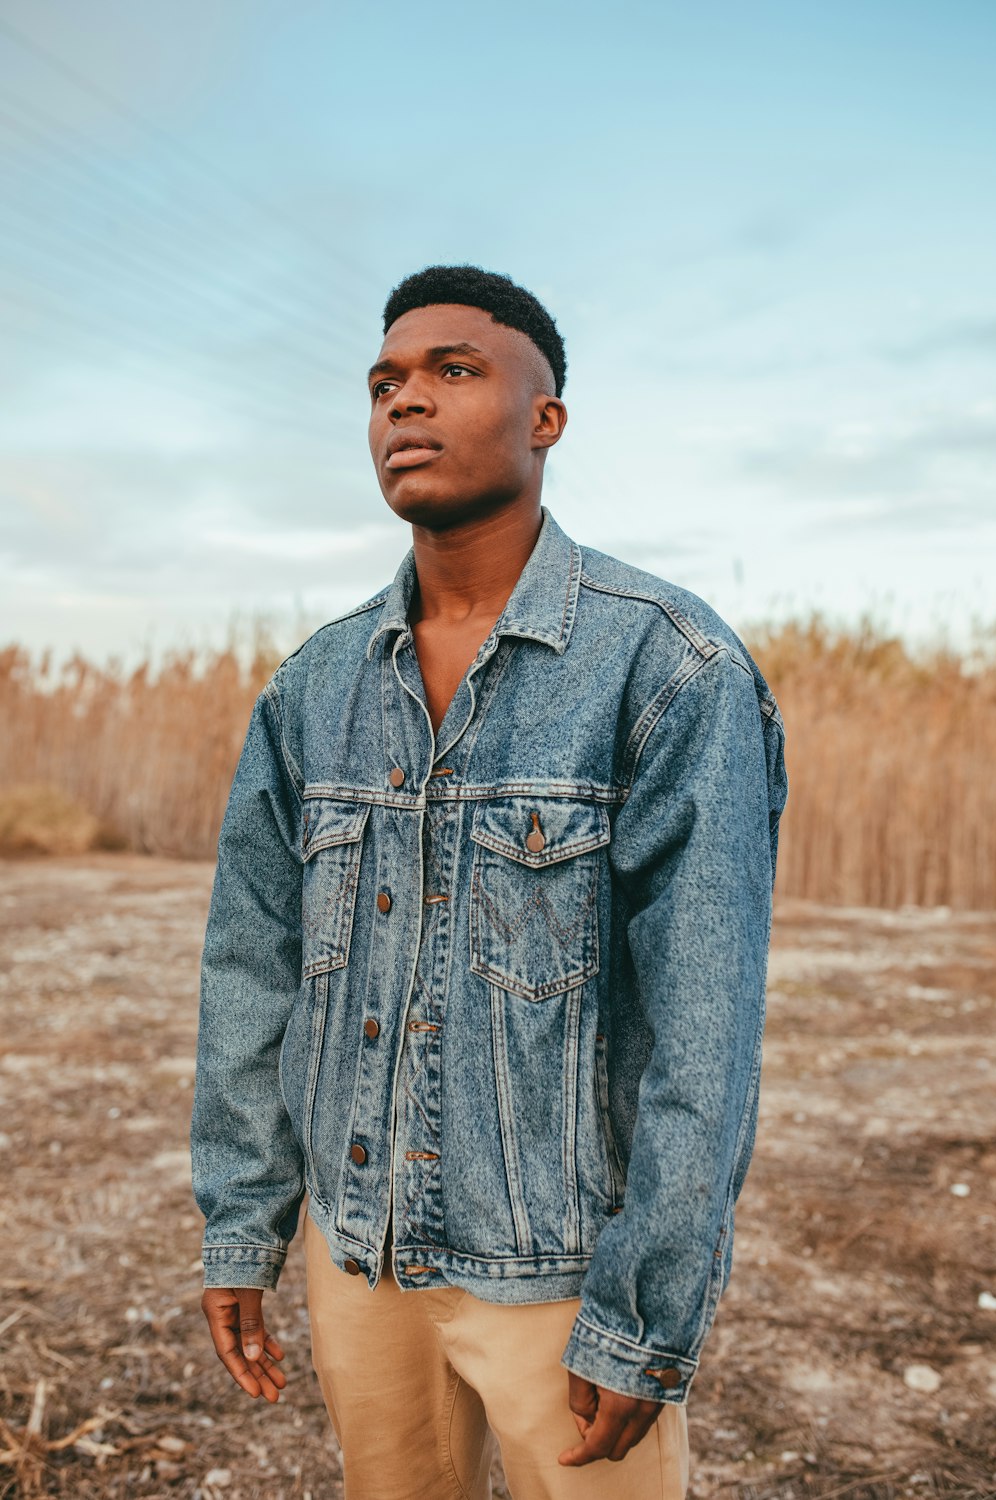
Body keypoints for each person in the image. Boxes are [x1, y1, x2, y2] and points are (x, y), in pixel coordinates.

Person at [190, 264, 788, 1500]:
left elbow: (703, 1022)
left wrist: (646, 1308)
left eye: (453, 371)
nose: (406, 402)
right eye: (384, 383)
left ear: (544, 417)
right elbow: (250, 968)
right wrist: (244, 1219)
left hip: (559, 1277)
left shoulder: (668, 667)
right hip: (360, 1268)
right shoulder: (313, 689)